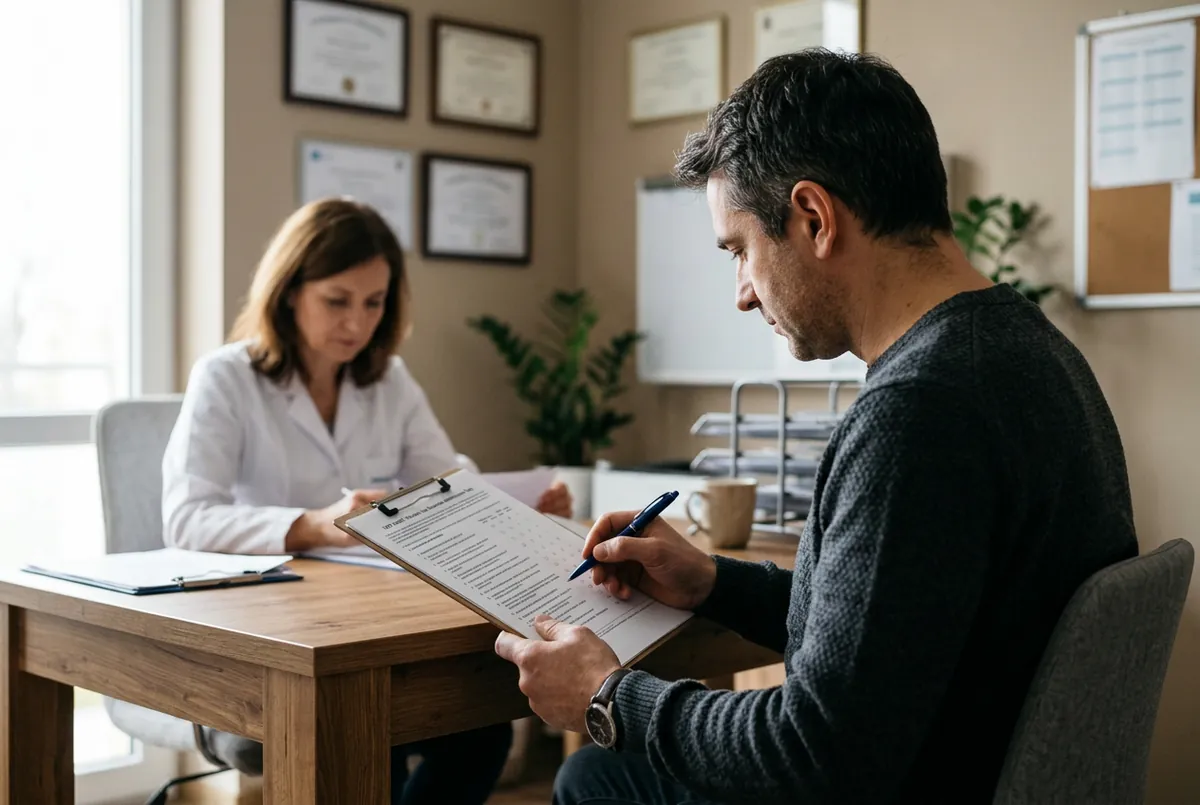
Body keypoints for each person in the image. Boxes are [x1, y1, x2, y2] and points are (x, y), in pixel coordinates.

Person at [493, 48, 1139, 805]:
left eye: (739, 251)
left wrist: (608, 696)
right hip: (968, 762)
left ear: (813, 217)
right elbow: (897, 628)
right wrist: (714, 582)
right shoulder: (1029, 353)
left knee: (594, 774)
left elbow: (818, 753)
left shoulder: (917, 411)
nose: (742, 292)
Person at [162, 197, 570, 804]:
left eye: (373, 303)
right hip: (260, 647)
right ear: (290, 290)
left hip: (366, 634)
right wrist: (317, 526)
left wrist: (516, 507)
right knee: (368, 740)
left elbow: (448, 482)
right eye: (337, 300)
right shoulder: (226, 378)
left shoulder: (388, 381)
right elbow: (186, 519)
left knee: (482, 734)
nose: (356, 323)